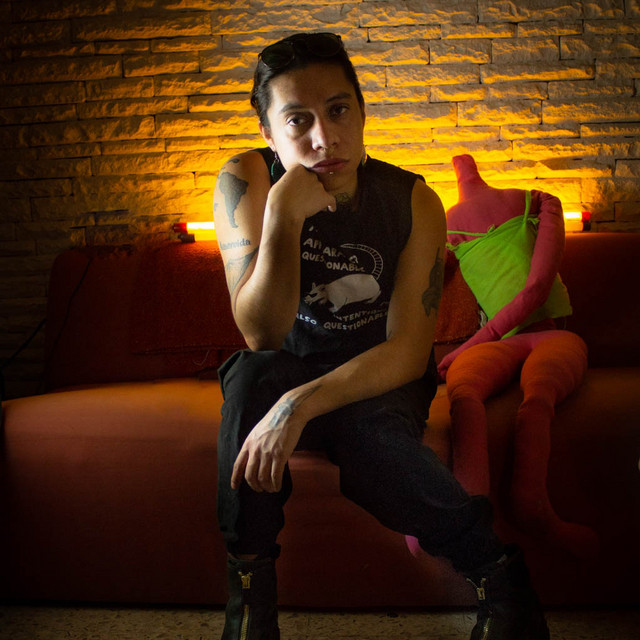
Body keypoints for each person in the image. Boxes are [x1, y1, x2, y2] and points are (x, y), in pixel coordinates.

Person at [213, 32, 549, 640]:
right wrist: (283, 214)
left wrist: (299, 405)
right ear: (268, 133)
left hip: (377, 377)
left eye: (339, 110)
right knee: (249, 376)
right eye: (298, 121)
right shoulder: (247, 180)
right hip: (285, 366)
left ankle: (502, 581)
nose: (325, 138)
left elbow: (407, 353)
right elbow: (261, 333)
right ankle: (249, 604)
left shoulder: (414, 201)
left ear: (362, 112)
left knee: (369, 442)